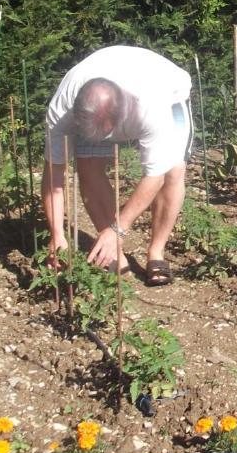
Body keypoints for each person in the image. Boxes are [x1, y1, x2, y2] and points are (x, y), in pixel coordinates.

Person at [41, 45, 192, 286]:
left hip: (170, 95)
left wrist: (119, 228)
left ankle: (156, 252)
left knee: (173, 171)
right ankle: (113, 253)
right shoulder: (62, 109)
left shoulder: (151, 104)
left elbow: (155, 176)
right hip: (103, 105)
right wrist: (57, 232)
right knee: (88, 167)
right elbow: (54, 176)